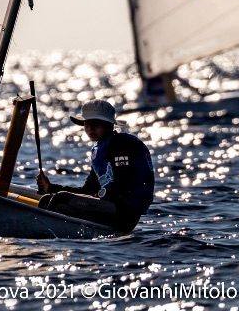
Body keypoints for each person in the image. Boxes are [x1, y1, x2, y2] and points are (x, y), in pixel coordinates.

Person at [36, 99, 154, 232]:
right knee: (48, 200)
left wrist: (95, 197)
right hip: (108, 208)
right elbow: (89, 189)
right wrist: (51, 188)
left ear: (110, 125)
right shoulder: (101, 150)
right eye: (87, 123)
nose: (90, 128)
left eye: (96, 123)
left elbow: (123, 185)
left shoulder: (121, 145)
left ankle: (45, 230)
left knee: (61, 199)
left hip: (124, 214)